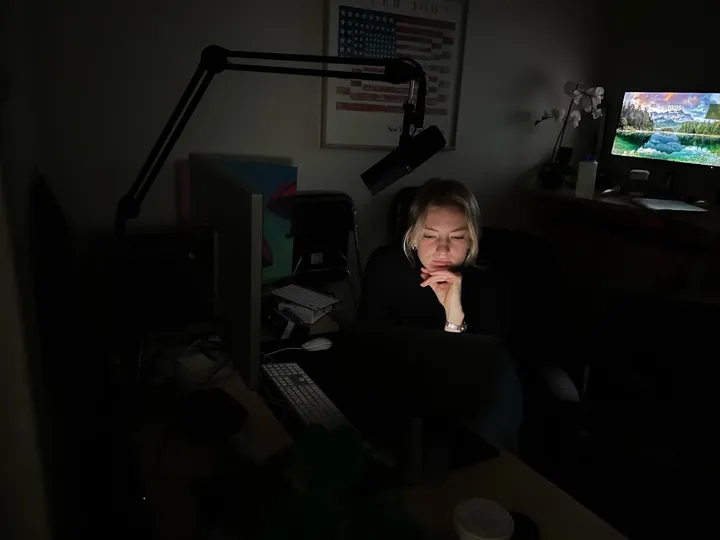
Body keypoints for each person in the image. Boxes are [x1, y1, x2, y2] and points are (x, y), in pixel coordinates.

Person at [358, 178, 522, 450]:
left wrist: (454, 317)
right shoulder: (385, 267)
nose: (442, 249)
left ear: (471, 240)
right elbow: (368, 342)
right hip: (404, 375)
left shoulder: (491, 282)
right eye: (430, 235)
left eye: (457, 237)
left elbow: (477, 372)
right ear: (413, 237)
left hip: (471, 385)